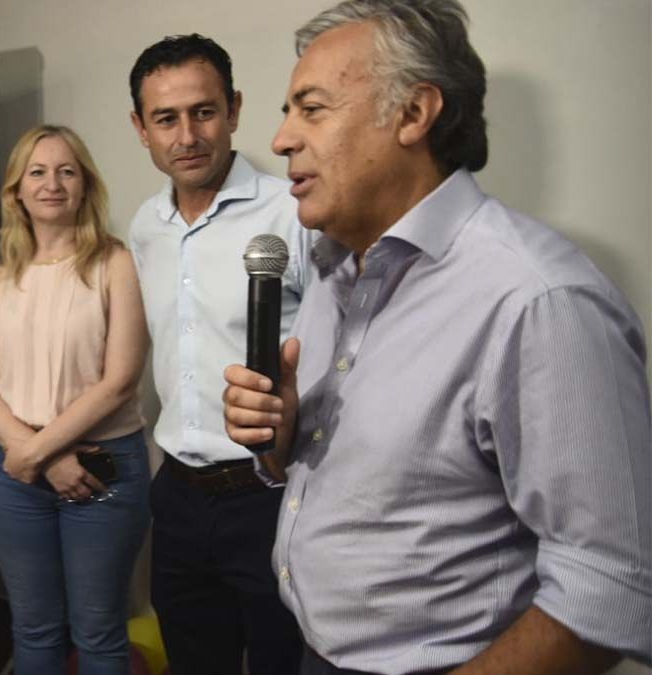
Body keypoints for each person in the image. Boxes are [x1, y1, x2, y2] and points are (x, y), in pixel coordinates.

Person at [223, 2, 651, 674]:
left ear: (414, 114)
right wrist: (280, 444)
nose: (280, 139)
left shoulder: (540, 301)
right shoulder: (334, 268)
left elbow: (611, 586)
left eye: (311, 108)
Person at [126, 34, 310, 675]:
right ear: (140, 129)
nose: (187, 135)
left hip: (271, 492)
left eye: (203, 111)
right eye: (165, 119)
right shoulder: (145, 226)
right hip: (177, 496)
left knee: (284, 662)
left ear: (233, 109)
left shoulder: (293, 213)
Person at [0, 124, 151, 673]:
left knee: (98, 634)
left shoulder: (115, 264)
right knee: (35, 633)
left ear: (85, 185)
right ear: (16, 191)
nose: (53, 183)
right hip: (17, 477)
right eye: (38, 172)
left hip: (102, 471)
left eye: (67, 171)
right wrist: (39, 456)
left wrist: (37, 450)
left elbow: (120, 380)